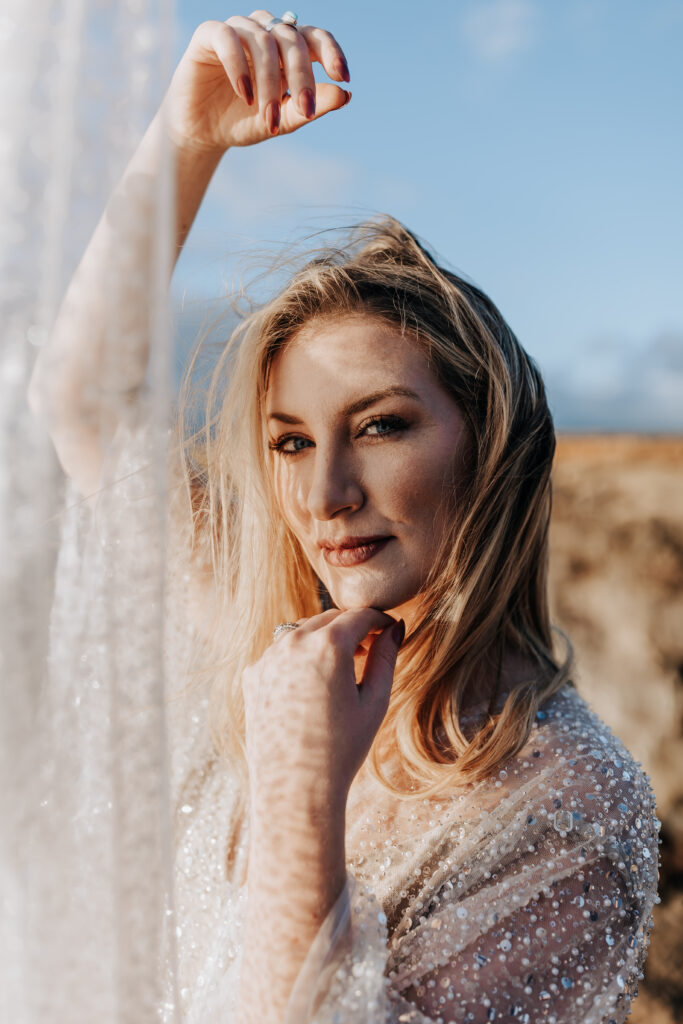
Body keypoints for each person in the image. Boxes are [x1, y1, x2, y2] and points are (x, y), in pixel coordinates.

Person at [28, 10, 660, 1024]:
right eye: (287, 442)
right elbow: (89, 402)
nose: (323, 496)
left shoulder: (567, 812)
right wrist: (185, 139)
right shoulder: (267, 633)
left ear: (486, 438)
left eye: (377, 427)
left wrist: (296, 788)